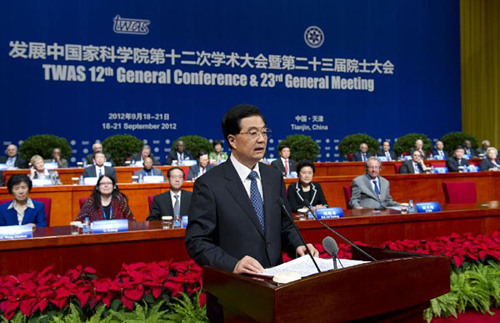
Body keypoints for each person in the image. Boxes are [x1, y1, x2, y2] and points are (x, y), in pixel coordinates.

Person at [185, 104, 318, 321]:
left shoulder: (273, 177)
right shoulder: (209, 184)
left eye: (264, 132)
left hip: (275, 289)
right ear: (232, 140)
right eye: (253, 133)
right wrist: (233, 264)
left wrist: (298, 246)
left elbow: (284, 224)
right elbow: (197, 241)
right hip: (233, 295)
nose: (262, 139)